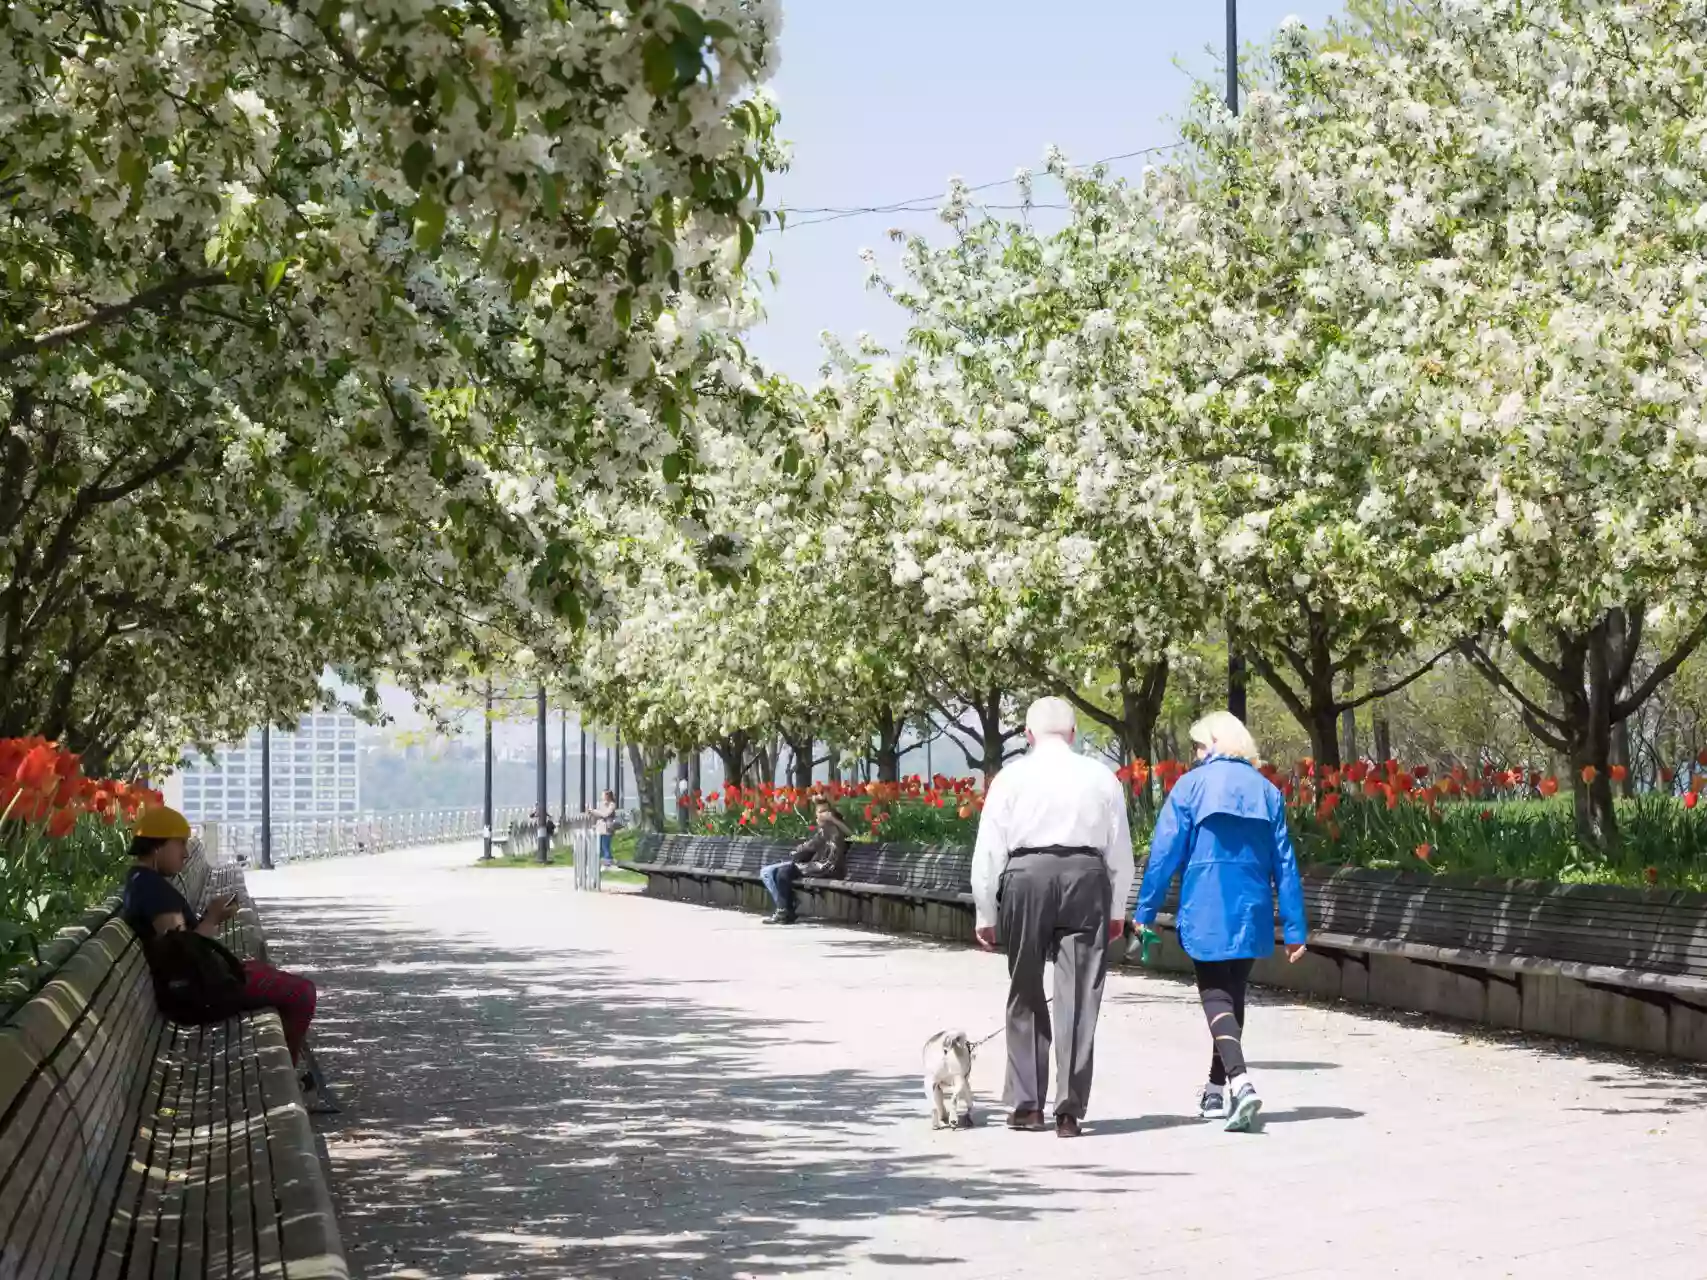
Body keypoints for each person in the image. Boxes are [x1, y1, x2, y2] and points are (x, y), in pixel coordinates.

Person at [1135, 711, 1309, 1133]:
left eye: (1198, 745)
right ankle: (1217, 1090)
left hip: (1207, 904)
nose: (1195, 754)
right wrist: (1295, 927)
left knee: (1215, 995)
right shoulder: (1268, 791)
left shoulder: (1191, 787)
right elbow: (1285, 863)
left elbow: (1164, 854)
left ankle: (1241, 1082)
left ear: (1215, 742)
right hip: (1251, 907)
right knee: (1233, 995)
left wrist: (1144, 911)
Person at [970, 696, 1132, 1138]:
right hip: (1087, 877)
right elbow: (1120, 850)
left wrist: (986, 908)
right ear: (1074, 734)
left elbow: (989, 849)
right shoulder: (1101, 776)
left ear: (1028, 735)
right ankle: (1069, 1110)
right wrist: (1117, 909)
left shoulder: (1011, 777)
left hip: (1026, 876)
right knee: (1080, 994)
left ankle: (1027, 1105)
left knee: (1024, 987)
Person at [121, 806, 320, 1070]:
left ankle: (284, 1062)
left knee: (263, 971)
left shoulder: (141, 882)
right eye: (179, 844)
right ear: (157, 847)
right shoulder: (153, 891)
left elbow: (180, 945)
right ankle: (287, 1070)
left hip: (192, 991)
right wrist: (212, 918)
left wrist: (212, 916)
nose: (185, 852)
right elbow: (184, 958)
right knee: (302, 992)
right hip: (197, 998)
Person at [759, 799, 851, 925]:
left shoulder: (836, 831)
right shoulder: (822, 832)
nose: (823, 815)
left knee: (783, 872)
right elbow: (810, 846)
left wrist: (834, 820)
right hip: (817, 866)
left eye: (826, 811)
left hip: (825, 868)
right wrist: (798, 852)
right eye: (820, 812)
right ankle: (786, 911)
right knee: (782, 872)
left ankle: (784, 911)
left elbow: (851, 833)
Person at [589, 790, 618, 864]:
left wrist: (594, 811)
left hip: (607, 828)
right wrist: (592, 813)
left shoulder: (612, 805)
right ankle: (603, 860)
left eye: (603, 795)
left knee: (605, 845)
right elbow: (599, 814)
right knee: (600, 846)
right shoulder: (602, 804)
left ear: (607, 796)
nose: (601, 797)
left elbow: (605, 814)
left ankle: (607, 860)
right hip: (600, 828)